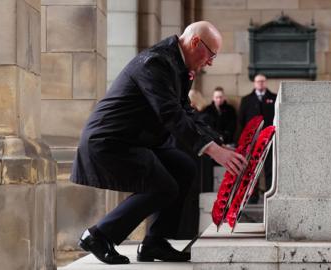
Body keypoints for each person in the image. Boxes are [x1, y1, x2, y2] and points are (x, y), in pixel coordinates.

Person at [70, 21, 247, 264]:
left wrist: (218, 144)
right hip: (110, 141)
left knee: (184, 168)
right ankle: (98, 235)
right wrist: (214, 151)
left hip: (138, 141)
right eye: (211, 54)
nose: (211, 62)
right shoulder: (156, 62)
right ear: (196, 42)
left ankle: (155, 242)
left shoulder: (178, 65)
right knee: (163, 186)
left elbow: (186, 111)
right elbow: (170, 114)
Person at [238, 74, 276, 203]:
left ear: (265, 82)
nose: (260, 84)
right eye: (258, 81)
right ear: (254, 83)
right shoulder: (247, 100)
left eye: (262, 81)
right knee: (252, 168)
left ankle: (270, 193)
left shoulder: (274, 98)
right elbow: (241, 122)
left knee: (270, 166)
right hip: (253, 141)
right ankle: (252, 196)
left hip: (270, 138)